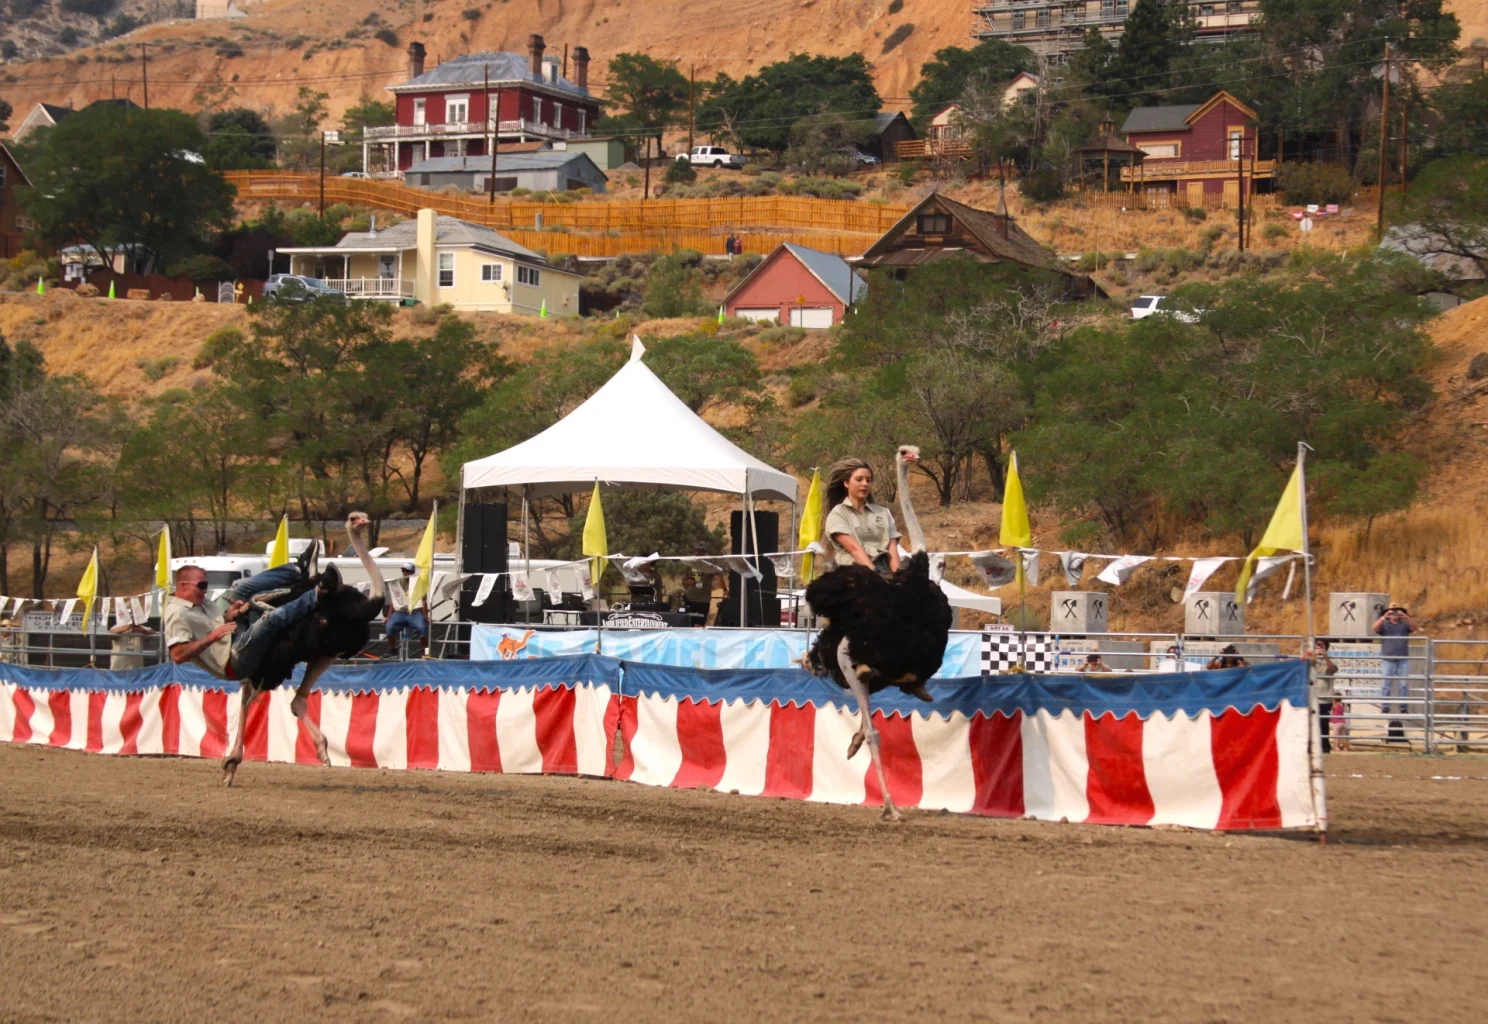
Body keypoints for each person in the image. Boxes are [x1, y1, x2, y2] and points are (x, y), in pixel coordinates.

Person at [163, 549, 323, 681]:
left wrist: (230, 614)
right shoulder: (176, 613)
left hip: (234, 636)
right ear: (183, 586)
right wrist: (212, 637)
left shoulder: (198, 601)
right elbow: (178, 655)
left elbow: (211, 625)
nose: (205, 590)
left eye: (206, 585)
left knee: (239, 587)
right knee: (269, 620)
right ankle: (317, 594)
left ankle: (299, 569)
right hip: (233, 661)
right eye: (202, 585)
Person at [823, 456, 901, 576]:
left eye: (868, 480)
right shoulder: (838, 514)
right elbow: (854, 549)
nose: (864, 484)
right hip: (854, 574)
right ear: (846, 483)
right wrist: (875, 576)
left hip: (885, 571)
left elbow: (892, 549)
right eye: (859, 479)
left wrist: (899, 578)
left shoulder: (884, 512)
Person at [1373, 605, 1414, 736]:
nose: (1395, 614)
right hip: (1388, 658)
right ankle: (1385, 706)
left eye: (1397, 612)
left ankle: (1403, 707)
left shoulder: (1404, 625)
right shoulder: (1385, 625)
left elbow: (1413, 627)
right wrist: (1384, 616)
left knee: (1404, 684)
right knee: (1386, 684)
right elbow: (1374, 628)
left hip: (1402, 658)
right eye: (1392, 612)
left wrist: (1406, 617)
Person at [384, 561, 430, 651]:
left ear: (413, 572)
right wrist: (388, 617)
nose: (404, 573)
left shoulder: (419, 583)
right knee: (389, 626)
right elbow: (393, 601)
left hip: (415, 612)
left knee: (423, 627)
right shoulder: (397, 583)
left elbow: (423, 601)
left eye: (407, 571)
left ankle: (425, 652)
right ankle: (392, 650)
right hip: (400, 612)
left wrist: (426, 617)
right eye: (403, 570)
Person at [1304, 638, 1340, 754]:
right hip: (1312, 697)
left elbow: (1332, 669)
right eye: (1317, 645)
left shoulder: (1331, 660)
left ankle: (1325, 748)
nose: (1319, 647)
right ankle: (1311, 748)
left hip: (1325, 698)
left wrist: (1325, 657)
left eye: (1321, 645)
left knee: (1323, 724)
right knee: (1310, 724)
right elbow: (1308, 667)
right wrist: (1314, 655)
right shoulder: (1310, 659)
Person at [682, 540, 728, 625]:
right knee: (689, 624)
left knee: (700, 625)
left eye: (701, 550)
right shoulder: (690, 564)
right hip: (689, 599)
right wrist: (690, 582)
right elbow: (683, 581)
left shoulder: (709, 565)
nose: (699, 553)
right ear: (694, 551)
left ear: (705, 552)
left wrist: (725, 589)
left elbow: (719, 576)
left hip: (703, 600)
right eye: (697, 550)